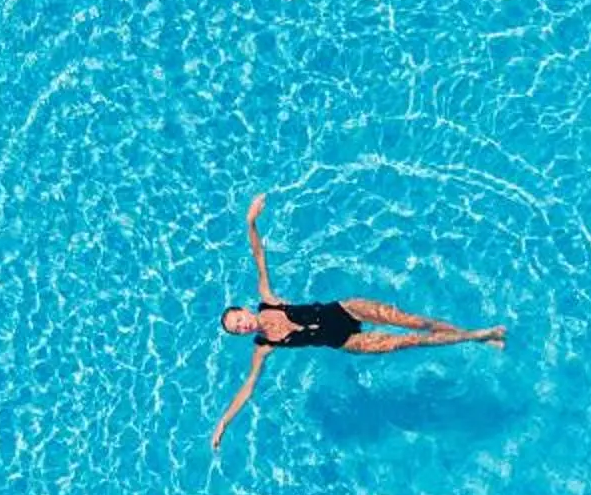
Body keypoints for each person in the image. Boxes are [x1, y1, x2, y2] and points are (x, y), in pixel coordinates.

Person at [211, 192, 503, 450]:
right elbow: (248, 387)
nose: (243, 325)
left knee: (416, 322)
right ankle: (479, 335)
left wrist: (250, 222)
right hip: (348, 341)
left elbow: (259, 256)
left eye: (239, 319)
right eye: (237, 329)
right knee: (414, 341)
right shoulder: (263, 346)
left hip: (348, 310)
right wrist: (224, 422)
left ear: (246, 310)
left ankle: (481, 337)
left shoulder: (268, 299)